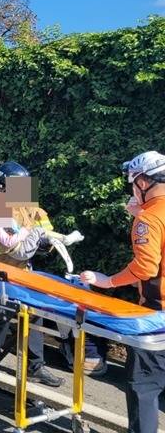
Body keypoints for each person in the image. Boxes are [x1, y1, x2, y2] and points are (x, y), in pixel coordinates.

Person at [80, 151, 165, 433]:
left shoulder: (148, 220)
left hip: (158, 315)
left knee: (143, 385)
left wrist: (107, 281)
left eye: (133, 184)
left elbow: (145, 268)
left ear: (142, 183)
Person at [0, 160, 64, 387]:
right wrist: (30, 239)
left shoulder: (21, 190)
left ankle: (35, 366)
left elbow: (40, 216)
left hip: (22, 269)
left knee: (33, 315)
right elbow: (7, 243)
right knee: (1, 316)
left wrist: (46, 240)